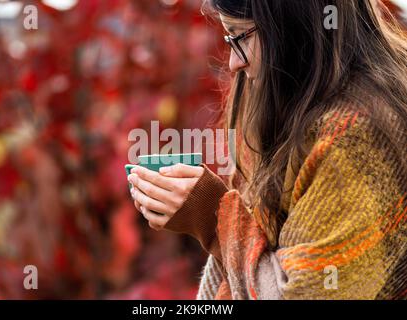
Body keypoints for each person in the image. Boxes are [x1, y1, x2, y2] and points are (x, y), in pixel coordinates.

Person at [127, 0, 407, 299]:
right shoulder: (298, 104)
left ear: (295, 26)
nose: (234, 62)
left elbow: (303, 294)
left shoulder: (354, 140)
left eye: (241, 35)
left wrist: (211, 217)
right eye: (227, 37)